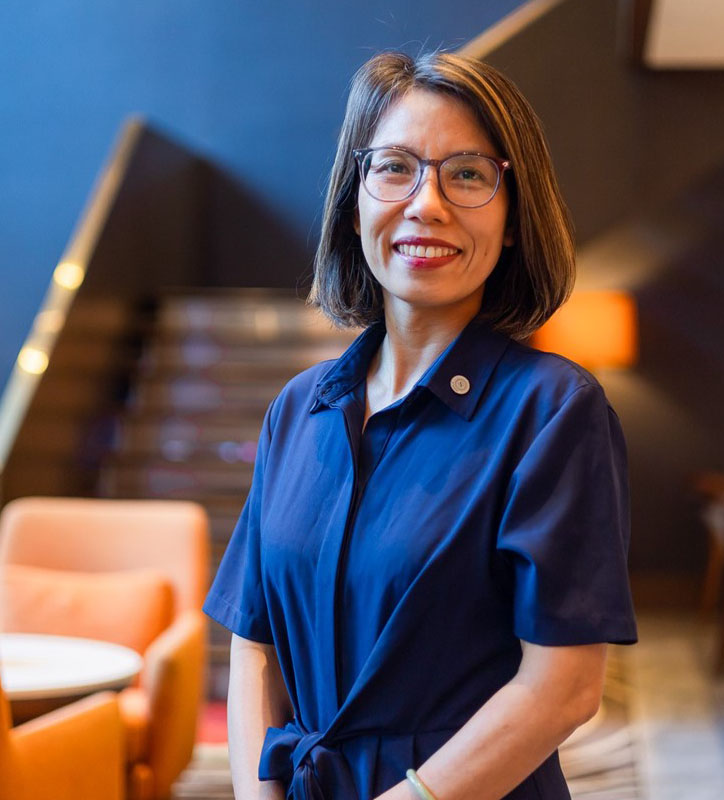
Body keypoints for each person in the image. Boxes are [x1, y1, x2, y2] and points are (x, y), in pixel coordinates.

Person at [203, 49, 638, 800]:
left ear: (512, 218)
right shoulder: (298, 410)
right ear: (356, 200)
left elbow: (564, 687)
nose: (426, 204)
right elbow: (255, 643)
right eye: (395, 168)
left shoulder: (553, 412)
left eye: (466, 174)